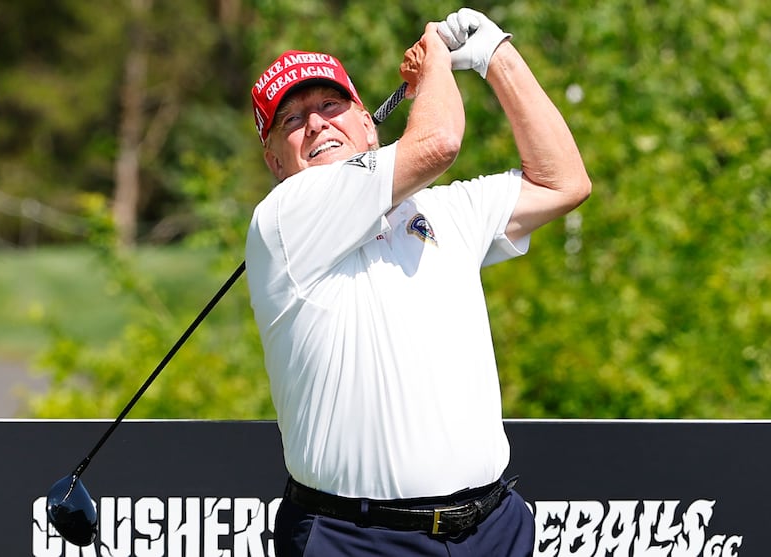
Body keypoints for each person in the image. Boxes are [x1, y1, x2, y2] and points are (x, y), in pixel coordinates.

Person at [245, 7, 591, 556]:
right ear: (275, 161)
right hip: (356, 539)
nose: (315, 125)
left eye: (331, 105)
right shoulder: (286, 216)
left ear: (366, 121)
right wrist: (436, 61)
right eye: (291, 120)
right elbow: (439, 142)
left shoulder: (443, 210)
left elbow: (563, 181)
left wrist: (497, 55)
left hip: (493, 528)